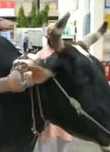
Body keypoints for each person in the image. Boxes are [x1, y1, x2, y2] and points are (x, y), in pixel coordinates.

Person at [37, 23, 72, 152]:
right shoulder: (40, 55)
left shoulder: (67, 54)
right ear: (47, 35)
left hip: (65, 102)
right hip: (46, 104)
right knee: (45, 137)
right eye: (51, 32)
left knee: (64, 137)